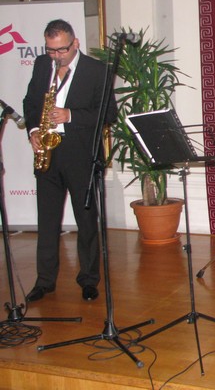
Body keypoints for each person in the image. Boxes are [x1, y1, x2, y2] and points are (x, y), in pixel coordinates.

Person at [23, 19, 117, 302]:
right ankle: (45, 281)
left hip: (81, 153)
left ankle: (88, 279)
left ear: (75, 43)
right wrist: (34, 130)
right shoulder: (42, 64)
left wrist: (70, 115)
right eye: (51, 50)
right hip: (49, 151)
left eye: (62, 50)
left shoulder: (97, 70)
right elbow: (30, 102)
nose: (56, 56)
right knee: (47, 220)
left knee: (86, 220)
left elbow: (109, 114)